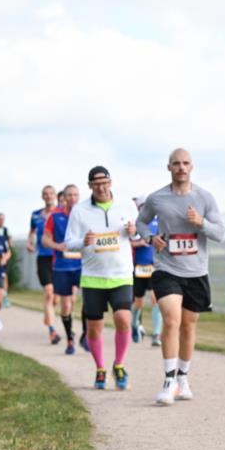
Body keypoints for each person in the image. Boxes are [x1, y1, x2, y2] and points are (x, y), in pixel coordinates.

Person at [136, 148, 224, 405]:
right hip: (166, 268)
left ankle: (183, 377)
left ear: (191, 167)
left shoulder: (205, 198)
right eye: (176, 163)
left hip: (196, 271)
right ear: (169, 167)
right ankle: (169, 381)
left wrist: (200, 222)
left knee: (188, 325)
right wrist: (150, 238)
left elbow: (219, 233)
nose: (181, 167)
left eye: (185, 163)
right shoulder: (157, 198)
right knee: (171, 320)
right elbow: (141, 222)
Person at [64, 166, 137, 389]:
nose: (101, 188)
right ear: (89, 186)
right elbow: (69, 243)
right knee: (94, 327)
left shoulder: (126, 205)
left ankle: (119, 364)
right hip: (93, 277)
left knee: (123, 319)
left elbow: (140, 233)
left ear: (110, 183)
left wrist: (134, 232)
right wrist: (83, 242)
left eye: (104, 183)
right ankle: (100, 368)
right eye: (96, 184)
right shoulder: (79, 210)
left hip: (121, 275)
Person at [43, 184, 87, 355]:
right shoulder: (55, 216)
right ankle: (70, 339)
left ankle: (85, 335)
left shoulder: (85, 215)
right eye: (69, 195)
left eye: (76, 195)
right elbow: (45, 240)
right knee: (66, 304)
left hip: (83, 265)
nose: (73, 198)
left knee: (89, 301)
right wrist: (58, 246)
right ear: (64, 198)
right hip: (62, 266)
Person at [29, 185, 61, 345]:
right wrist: (30, 243)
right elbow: (32, 232)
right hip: (43, 258)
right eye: (45, 194)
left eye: (50, 193)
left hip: (58, 258)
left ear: (55, 196)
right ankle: (52, 331)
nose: (48, 196)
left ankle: (48, 315)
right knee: (49, 292)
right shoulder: (36, 215)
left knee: (56, 299)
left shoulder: (61, 213)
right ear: (42, 197)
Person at [131, 195, 163, 347]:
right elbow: (126, 242)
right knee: (139, 302)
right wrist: (139, 243)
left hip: (154, 266)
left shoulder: (159, 222)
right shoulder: (135, 223)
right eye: (142, 206)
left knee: (156, 298)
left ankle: (156, 334)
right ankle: (135, 324)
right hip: (138, 266)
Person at [0, 212, 13, 308]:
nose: (1, 221)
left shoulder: (6, 230)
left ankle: (4, 296)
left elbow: (10, 244)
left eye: (2, 219)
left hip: (3, 256)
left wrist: (6, 253)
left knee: (4, 276)